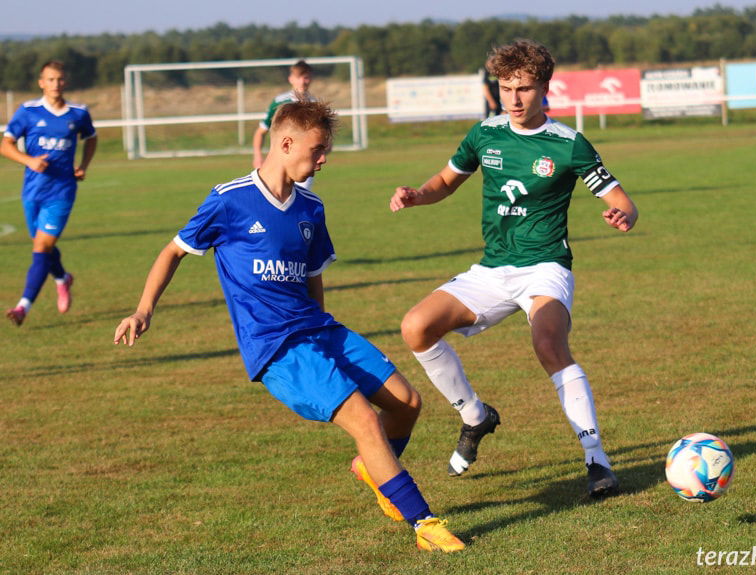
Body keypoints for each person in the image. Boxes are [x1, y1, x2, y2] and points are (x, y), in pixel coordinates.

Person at [113, 101, 464, 553]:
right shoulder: (229, 200)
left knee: (407, 403)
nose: (324, 159)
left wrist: (326, 337)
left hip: (319, 330)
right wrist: (144, 310)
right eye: (317, 150)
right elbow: (174, 251)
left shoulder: (311, 208)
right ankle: (423, 523)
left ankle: (372, 468)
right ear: (285, 144)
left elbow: (313, 277)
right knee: (364, 420)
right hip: (276, 346)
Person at [390, 40, 638, 498]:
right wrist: (417, 194)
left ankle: (596, 459)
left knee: (548, 343)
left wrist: (623, 215)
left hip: (545, 267)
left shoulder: (569, 144)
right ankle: (474, 416)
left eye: (524, 89)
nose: (514, 99)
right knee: (416, 327)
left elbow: (621, 199)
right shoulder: (484, 135)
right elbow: (446, 181)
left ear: (545, 88)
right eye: (506, 88)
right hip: (492, 269)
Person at [3, 60, 97, 326]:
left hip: (62, 191)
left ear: (65, 81)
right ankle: (63, 278)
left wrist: (83, 165)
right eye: (51, 79)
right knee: (43, 246)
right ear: (41, 82)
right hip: (32, 191)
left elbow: (91, 138)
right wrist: (29, 160)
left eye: (60, 79)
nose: (56, 84)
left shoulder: (78, 113)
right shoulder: (28, 111)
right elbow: (5, 145)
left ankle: (23, 306)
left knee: (41, 247)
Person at [252, 60, 315, 190]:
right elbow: (261, 131)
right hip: (280, 160)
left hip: (304, 161)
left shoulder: (315, 104)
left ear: (310, 79)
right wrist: (258, 156)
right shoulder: (280, 102)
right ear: (291, 79)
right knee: (276, 195)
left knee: (300, 196)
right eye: (298, 77)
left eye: (306, 77)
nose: (302, 82)